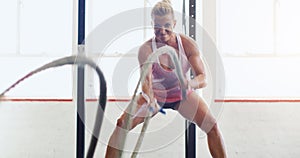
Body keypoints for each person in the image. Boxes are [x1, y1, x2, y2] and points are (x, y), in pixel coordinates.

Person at [105, 0, 227, 157]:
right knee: (122, 124)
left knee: (212, 125)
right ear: (152, 24)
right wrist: (150, 98)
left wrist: (189, 83)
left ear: (174, 24)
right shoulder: (147, 49)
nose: (162, 31)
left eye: (167, 26)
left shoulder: (187, 45)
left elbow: (203, 78)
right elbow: (146, 83)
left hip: (182, 95)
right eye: (157, 27)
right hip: (155, 96)